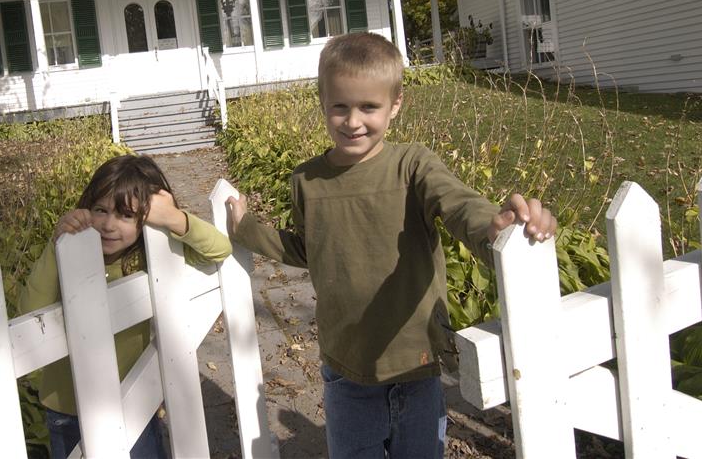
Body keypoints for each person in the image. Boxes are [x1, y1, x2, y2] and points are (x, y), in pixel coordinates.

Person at [225, 32, 556, 459]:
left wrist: (492, 227)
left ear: (395, 104)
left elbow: (457, 203)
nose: (353, 121)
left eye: (369, 107)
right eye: (340, 106)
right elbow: (309, 250)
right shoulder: (306, 180)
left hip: (415, 362)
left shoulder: (412, 165)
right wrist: (248, 229)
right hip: (347, 367)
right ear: (322, 102)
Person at [19, 154, 232, 459]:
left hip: (134, 400)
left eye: (125, 215)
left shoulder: (146, 261)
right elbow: (31, 314)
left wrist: (174, 217)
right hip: (69, 407)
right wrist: (56, 247)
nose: (108, 225)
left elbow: (218, 249)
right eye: (100, 210)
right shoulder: (68, 258)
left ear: (145, 219)